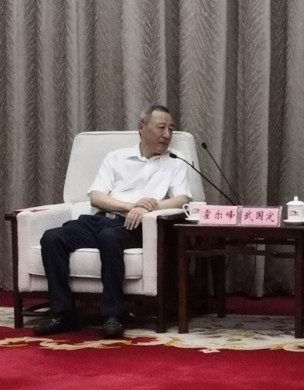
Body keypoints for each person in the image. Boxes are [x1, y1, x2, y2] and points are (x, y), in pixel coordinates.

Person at [33, 104, 192, 339]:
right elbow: (96, 197)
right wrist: (131, 206)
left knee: (109, 237)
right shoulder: (116, 157)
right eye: (161, 128)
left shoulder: (175, 161)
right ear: (142, 127)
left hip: (136, 226)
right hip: (102, 219)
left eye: (171, 129)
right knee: (52, 237)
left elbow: (182, 199)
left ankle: (112, 316)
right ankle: (62, 313)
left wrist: (149, 208)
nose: (167, 134)